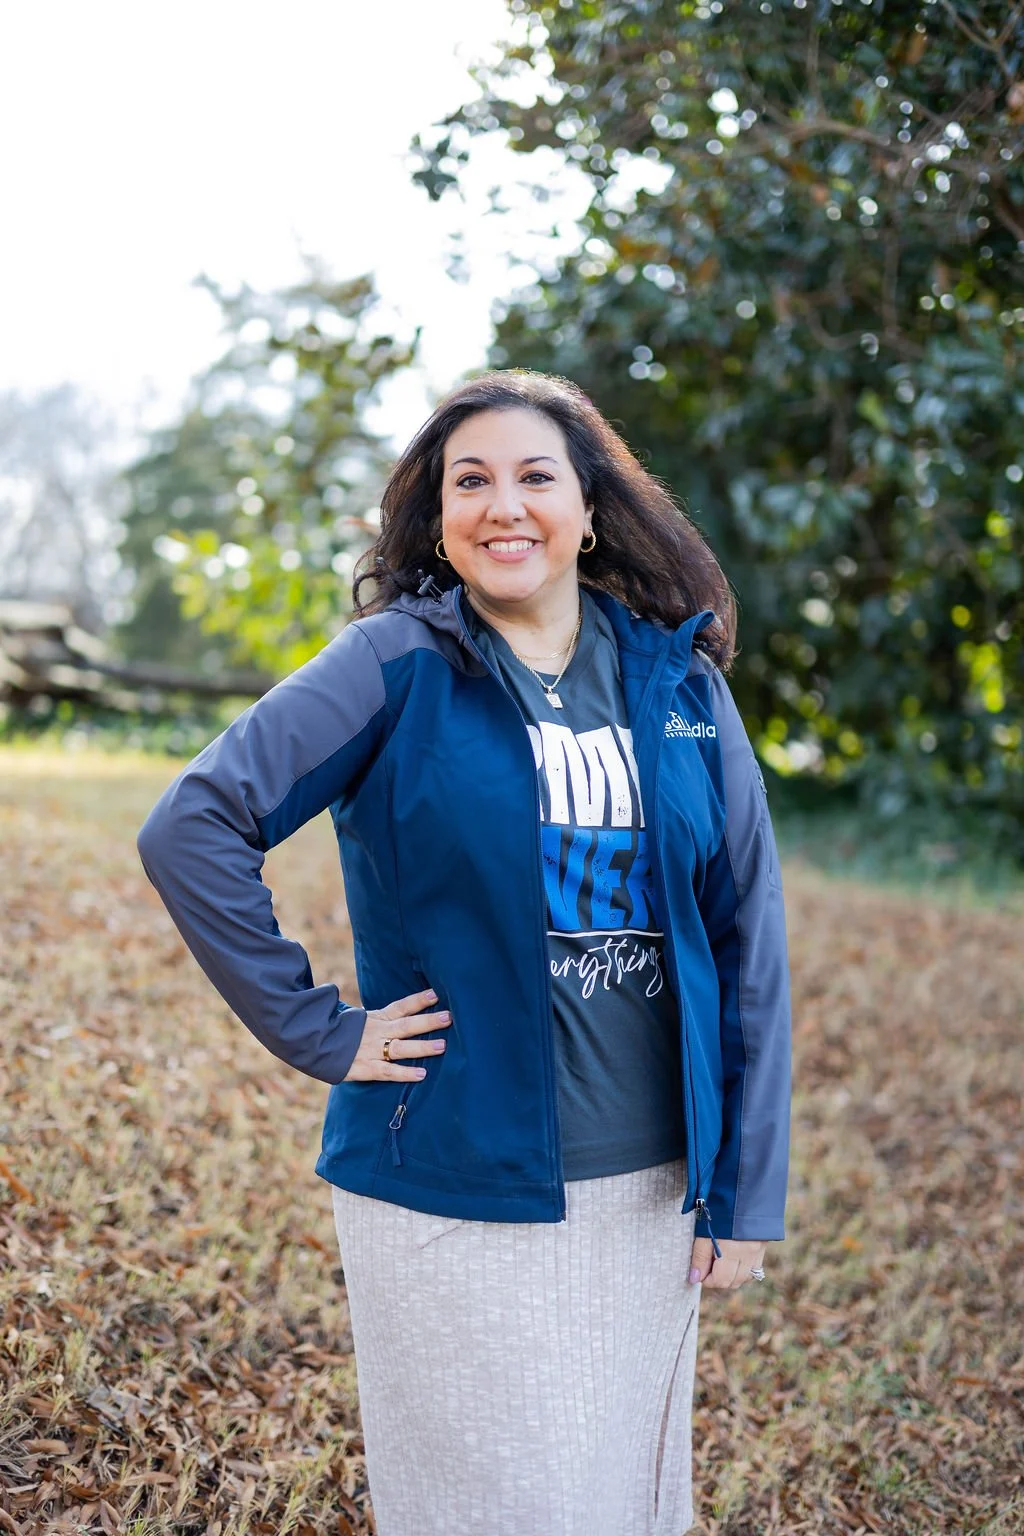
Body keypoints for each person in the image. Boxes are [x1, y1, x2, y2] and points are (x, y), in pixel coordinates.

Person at [137, 369, 792, 1536]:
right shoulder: (395, 665)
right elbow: (193, 825)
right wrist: (319, 1029)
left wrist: (742, 1186)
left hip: (646, 1186)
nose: (505, 505)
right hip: (451, 1177)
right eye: (470, 481)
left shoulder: (676, 681)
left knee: (622, 1507)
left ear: (590, 510)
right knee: (494, 1506)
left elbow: (747, 936)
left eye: (536, 477)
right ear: (437, 518)